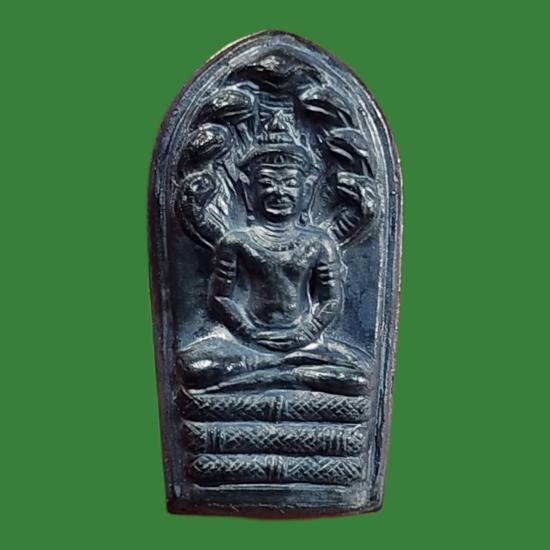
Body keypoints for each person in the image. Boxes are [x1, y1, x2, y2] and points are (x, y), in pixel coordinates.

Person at [177, 112, 370, 396]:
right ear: (248, 189)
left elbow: (330, 299)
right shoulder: (236, 241)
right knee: (194, 368)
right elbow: (219, 297)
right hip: (245, 341)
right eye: (267, 182)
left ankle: (263, 375)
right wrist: (247, 332)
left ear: (307, 190)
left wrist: (307, 333)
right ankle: (286, 372)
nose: (279, 192)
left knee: (361, 377)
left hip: (305, 343)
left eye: (290, 183)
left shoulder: (319, 242)